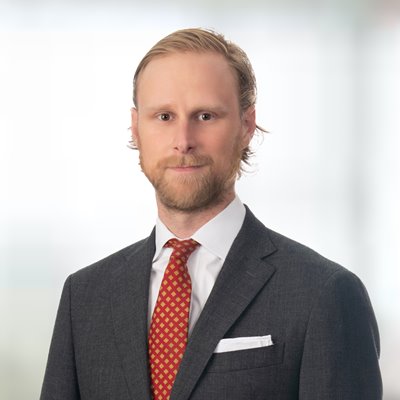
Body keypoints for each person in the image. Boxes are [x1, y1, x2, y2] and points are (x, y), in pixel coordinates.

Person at [40, 28, 382, 400]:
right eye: (164, 116)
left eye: (205, 115)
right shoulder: (85, 297)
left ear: (246, 125)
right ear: (136, 128)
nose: (183, 140)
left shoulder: (324, 294)